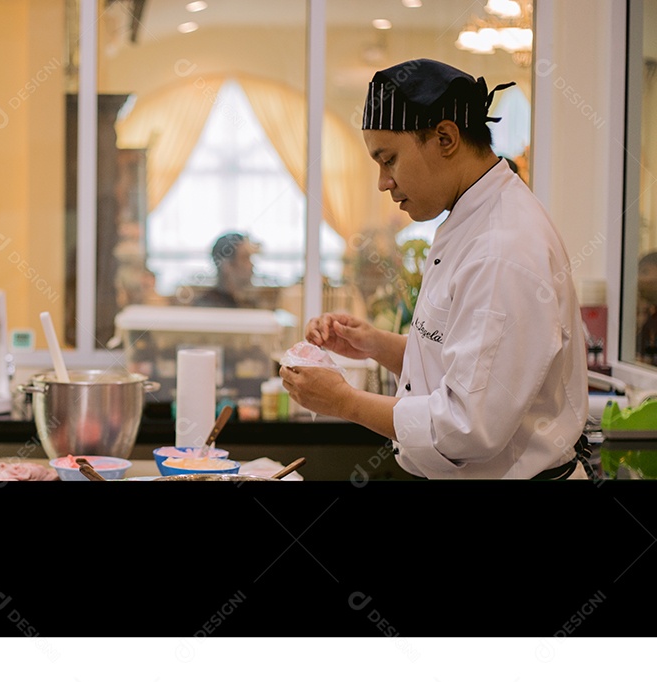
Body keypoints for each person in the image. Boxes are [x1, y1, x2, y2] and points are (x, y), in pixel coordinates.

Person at [281, 59, 588, 479]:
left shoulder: (502, 249)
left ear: (445, 137)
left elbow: (466, 425)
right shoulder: (471, 217)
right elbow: (472, 363)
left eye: (388, 160)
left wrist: (342, 401)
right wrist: (376, 344)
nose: (382, 182)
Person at [194, 232, 259, 308]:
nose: (251, 265)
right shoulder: (208, 308)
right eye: (245, 258)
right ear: (227, 266)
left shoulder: (248, 304)